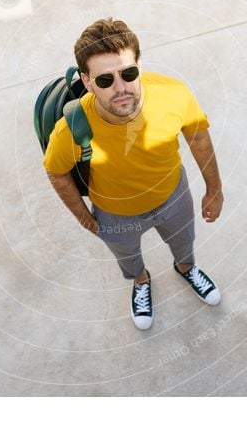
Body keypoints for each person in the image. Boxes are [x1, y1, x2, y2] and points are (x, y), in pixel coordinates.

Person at [43, 18, 224, 329]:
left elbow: (199, 139)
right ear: (86, 81)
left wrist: (215, 189)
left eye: (128, 73)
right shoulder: (70, 131)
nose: (121, 88)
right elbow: (57, 172)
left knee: (184, 242)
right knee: (128, 258)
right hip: (115, 214)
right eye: (105, 80)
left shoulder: (173, 94)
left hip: (173, 195)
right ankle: (141, 281)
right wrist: (83, 216)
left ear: (139, 64)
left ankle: (186, 268)